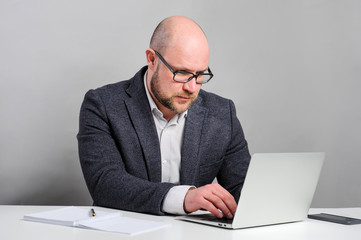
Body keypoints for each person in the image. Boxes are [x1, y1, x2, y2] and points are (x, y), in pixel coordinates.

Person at [77, 16, 250, 219]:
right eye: (182, 73)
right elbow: (105, 183)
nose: (191, 87)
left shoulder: (222, 113)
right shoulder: (102, 104)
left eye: (200, 74)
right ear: (152, 59)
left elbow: (243, 189)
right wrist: (184, 198)